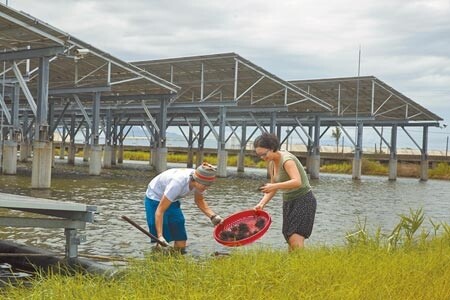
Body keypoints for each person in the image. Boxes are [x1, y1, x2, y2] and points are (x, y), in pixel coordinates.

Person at [253, 132, 317, 251]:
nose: (262, 157)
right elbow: (272, 188)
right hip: (288, 201)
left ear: (272, 148)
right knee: (288, 236)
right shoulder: (271, 163)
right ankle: (294, 266)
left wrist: (274, 186)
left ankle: (302, 266)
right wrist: (261, 204)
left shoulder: (287, 160)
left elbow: (297, 181)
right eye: (259, 155)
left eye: (264, 154)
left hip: (304, 199)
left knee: (295, 238)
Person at [144, 162, 223, 252]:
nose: (206, 187)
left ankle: (177, 258)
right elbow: (160, 211)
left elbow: (199, 200)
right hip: (155, 197)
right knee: (163, 235)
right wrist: (160, 236)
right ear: (196, 180)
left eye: (208, 185)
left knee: (180, 235)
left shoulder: (200, 182)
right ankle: (158, 256)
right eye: (204, 185)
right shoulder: (177, 183)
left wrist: (213, 217)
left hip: (173, 199)